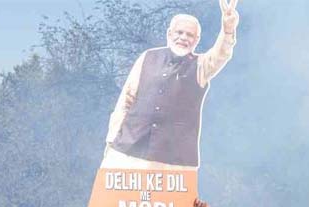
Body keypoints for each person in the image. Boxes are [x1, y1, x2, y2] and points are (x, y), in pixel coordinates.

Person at [101, 0, 239, 170]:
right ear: (169, 34)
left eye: (189, 35)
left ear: (196, 40)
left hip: (173, 161)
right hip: (126, 151)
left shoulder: (201, 66)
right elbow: (126, 100)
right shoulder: (147, 57)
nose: (183, 38)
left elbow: (221, 55)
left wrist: (228, 30)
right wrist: (112, 138)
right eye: (179, 32)